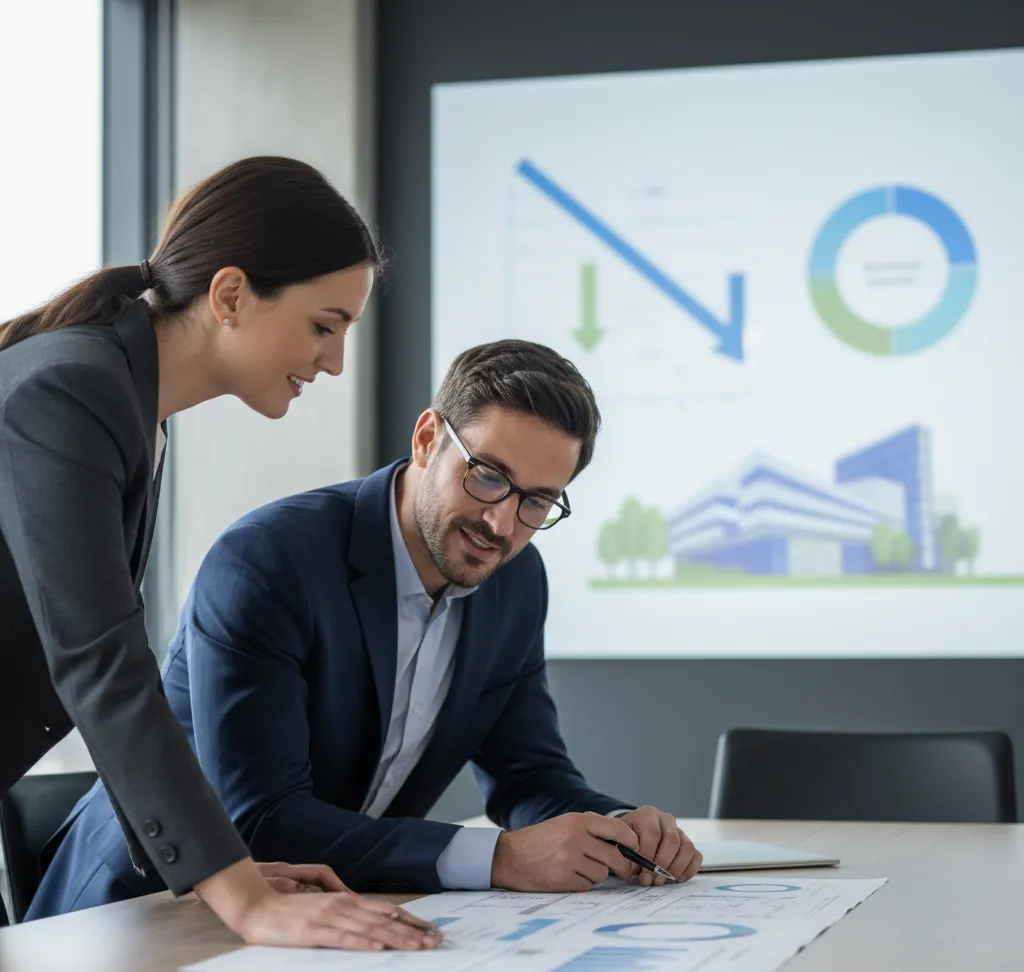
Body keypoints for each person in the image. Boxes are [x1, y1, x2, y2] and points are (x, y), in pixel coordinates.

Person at [30, 340, 703, 919]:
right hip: (139, 913)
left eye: (536, 502)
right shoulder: (271, 561)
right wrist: (497, 857)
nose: (502, 524)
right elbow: (261, 820)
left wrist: (617, 832)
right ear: (427, 439)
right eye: (490, 477)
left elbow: (529, 774)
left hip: (312, 913)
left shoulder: (516, 584)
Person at [0, 156, 439, 949]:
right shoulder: (70, 390)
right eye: (324, 325)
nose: (334, 362)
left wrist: (228, 869)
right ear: (231, 295)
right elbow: (102, 663)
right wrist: (244, 898)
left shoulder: (130, 403)